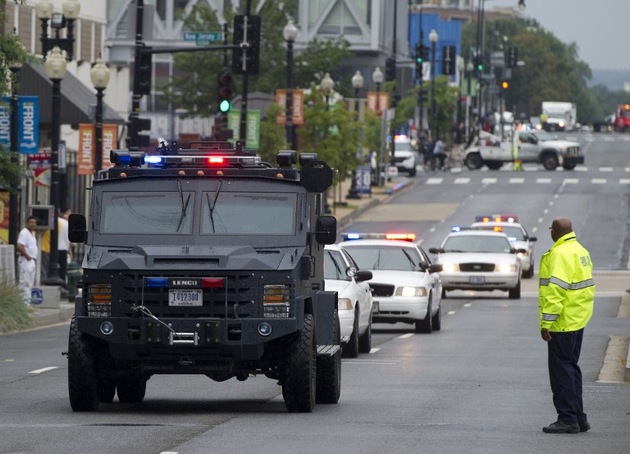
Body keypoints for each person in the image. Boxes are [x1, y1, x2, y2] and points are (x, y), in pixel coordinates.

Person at [538, 217, 595, 434]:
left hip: (562, 322)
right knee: (571, 368)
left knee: (561, 372)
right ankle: (579, 418)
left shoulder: (560, 254)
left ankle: (567, 419)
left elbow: (555, 292)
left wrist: (546, 323)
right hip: (577, 319)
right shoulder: (580, 250)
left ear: (554, 231)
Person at [16, 216, 38, 306]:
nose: (33, 224)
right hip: (25, 260)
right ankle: (24, 304)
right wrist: (27, 256)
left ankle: (27, 303)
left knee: (30, 283)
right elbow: (20, 246)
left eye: (34, 222)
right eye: (31, 222)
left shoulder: (32, 233)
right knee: (24, 283)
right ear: (27, 223)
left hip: (31, 260)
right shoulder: (24, 232)